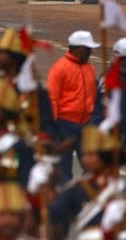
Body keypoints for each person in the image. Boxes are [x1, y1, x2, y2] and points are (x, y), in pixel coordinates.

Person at [46, 30, 98, 180]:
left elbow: (93, 95)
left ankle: (86, 197)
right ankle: (67, 198)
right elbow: (53, 99)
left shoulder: (89, 68)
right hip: (64, 125)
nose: (90, 52)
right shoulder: (60, 68)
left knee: (92, 165)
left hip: (86, 124)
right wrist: (53, 127)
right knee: (64, 168)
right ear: (75, 48)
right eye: (87, 48)